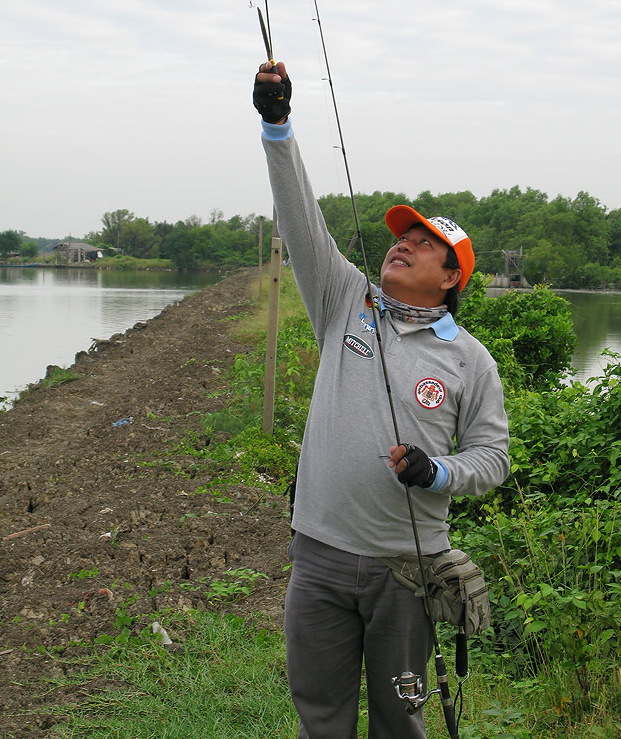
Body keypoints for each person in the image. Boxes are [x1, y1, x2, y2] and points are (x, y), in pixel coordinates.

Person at [253, 60, 510, 739]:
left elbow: (492, 457)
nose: (403, 243)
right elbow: (301, 220)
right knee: (320, 714)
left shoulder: (469, 359)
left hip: (408, 568)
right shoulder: (344, 301)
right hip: (318, 556)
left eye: (423, 245)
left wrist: (439, 471)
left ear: (451, 277)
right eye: (402, 235)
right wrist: (276, 127)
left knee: (401, 721)